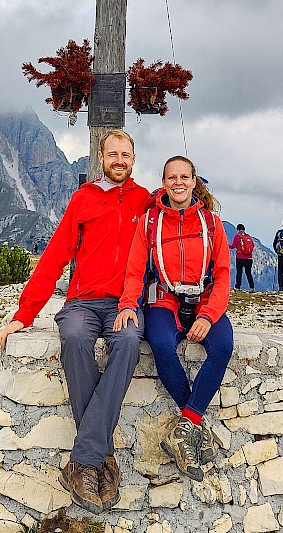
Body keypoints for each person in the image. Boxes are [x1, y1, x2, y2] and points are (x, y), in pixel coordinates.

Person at [0, 129, 149, 515]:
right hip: (82, 302)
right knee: (76, 339)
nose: (119, 160)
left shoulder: (145, 201)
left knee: (129, 341)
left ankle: (83, 461)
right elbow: (54, 256)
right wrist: (23, 314)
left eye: (126, 154)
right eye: (112, 153)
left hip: (124, 304)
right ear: (100, 158)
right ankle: (101, 456)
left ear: (133, 159)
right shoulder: (83, 199)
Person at [114, 155, 233, 482]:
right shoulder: (149, 222)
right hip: (164, 298)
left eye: (184, 177)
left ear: (195, 181)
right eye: (172, 178)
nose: (178, 183)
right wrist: (127, 305)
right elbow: (136, 271)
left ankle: (184, 427)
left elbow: (223, 276)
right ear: (164, 183)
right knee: (162, 344)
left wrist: (208, 316)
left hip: (203, 299)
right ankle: (193, 425)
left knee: (223, 345)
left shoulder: (211, 223)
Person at [229, 224, 255, 292]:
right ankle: (252, 287)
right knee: (248, 273)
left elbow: (233, 246)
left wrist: (227, 245)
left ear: (238, 229)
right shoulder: (248, 236)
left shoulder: (237, 237)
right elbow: (253, 245)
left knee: (239, 273)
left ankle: (237, 287)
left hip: (240, 257)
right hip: (249, 258)